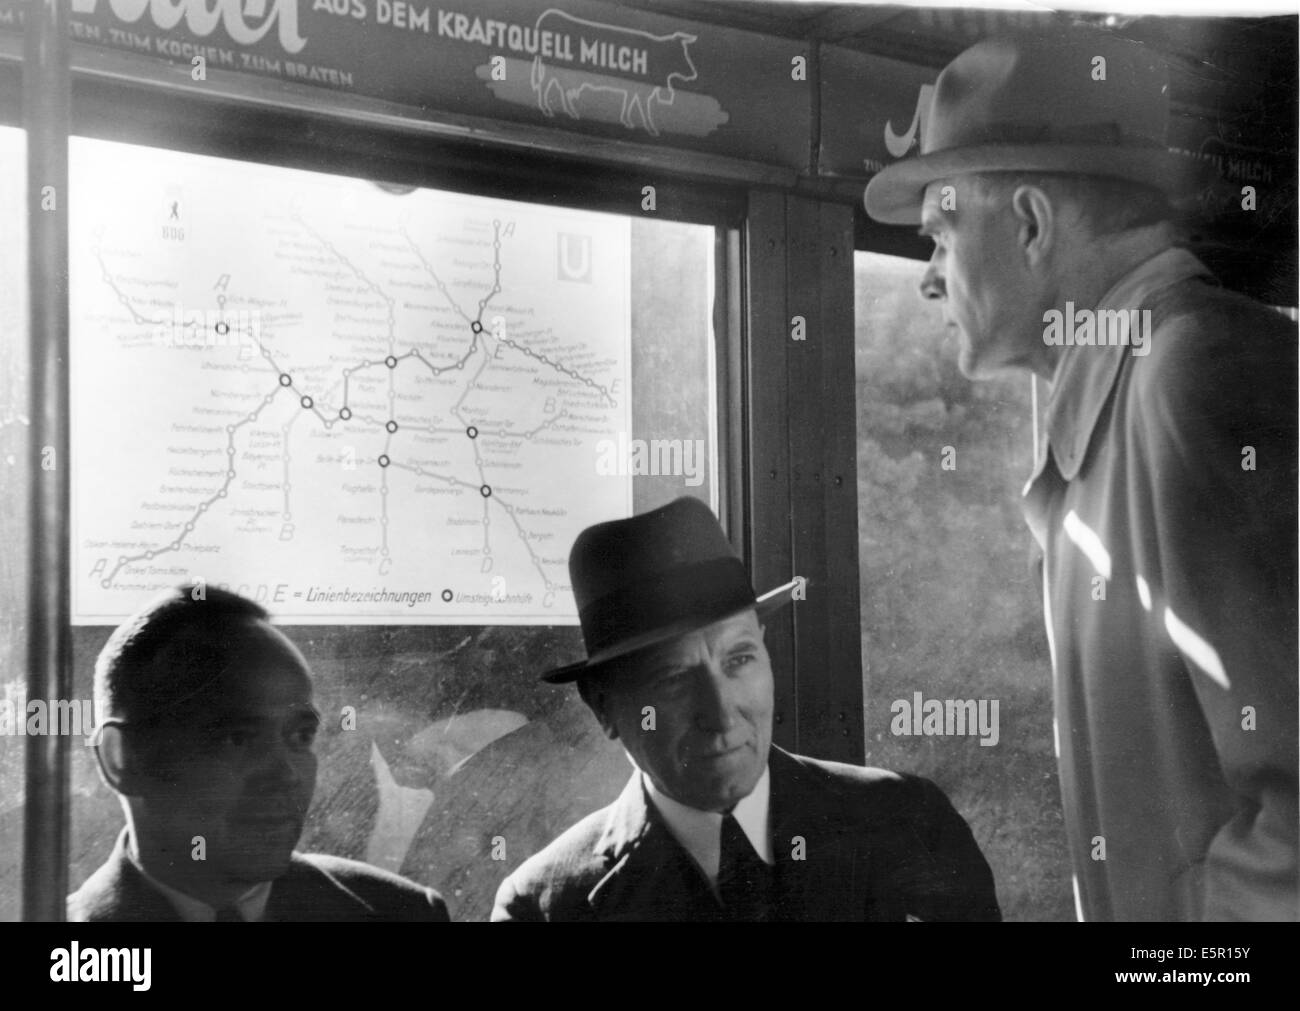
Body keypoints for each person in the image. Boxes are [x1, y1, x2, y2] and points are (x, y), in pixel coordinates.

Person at [864, 26, 1298, 921]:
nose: (929, 279)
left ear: (1028, 223)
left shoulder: (1191, 369)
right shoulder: (1109, 416)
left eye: (941, 232)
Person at [491, 496, 1000, 921]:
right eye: (673, 678)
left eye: (739, 659)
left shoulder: (907, 822)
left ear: (767, 649)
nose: (721, 712)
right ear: (603, 707)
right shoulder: (544, 906)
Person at [68, 584, 449, 922]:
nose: (286, 775)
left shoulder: (405, 913)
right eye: (237, 739)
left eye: (300, 736)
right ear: (123, 759)